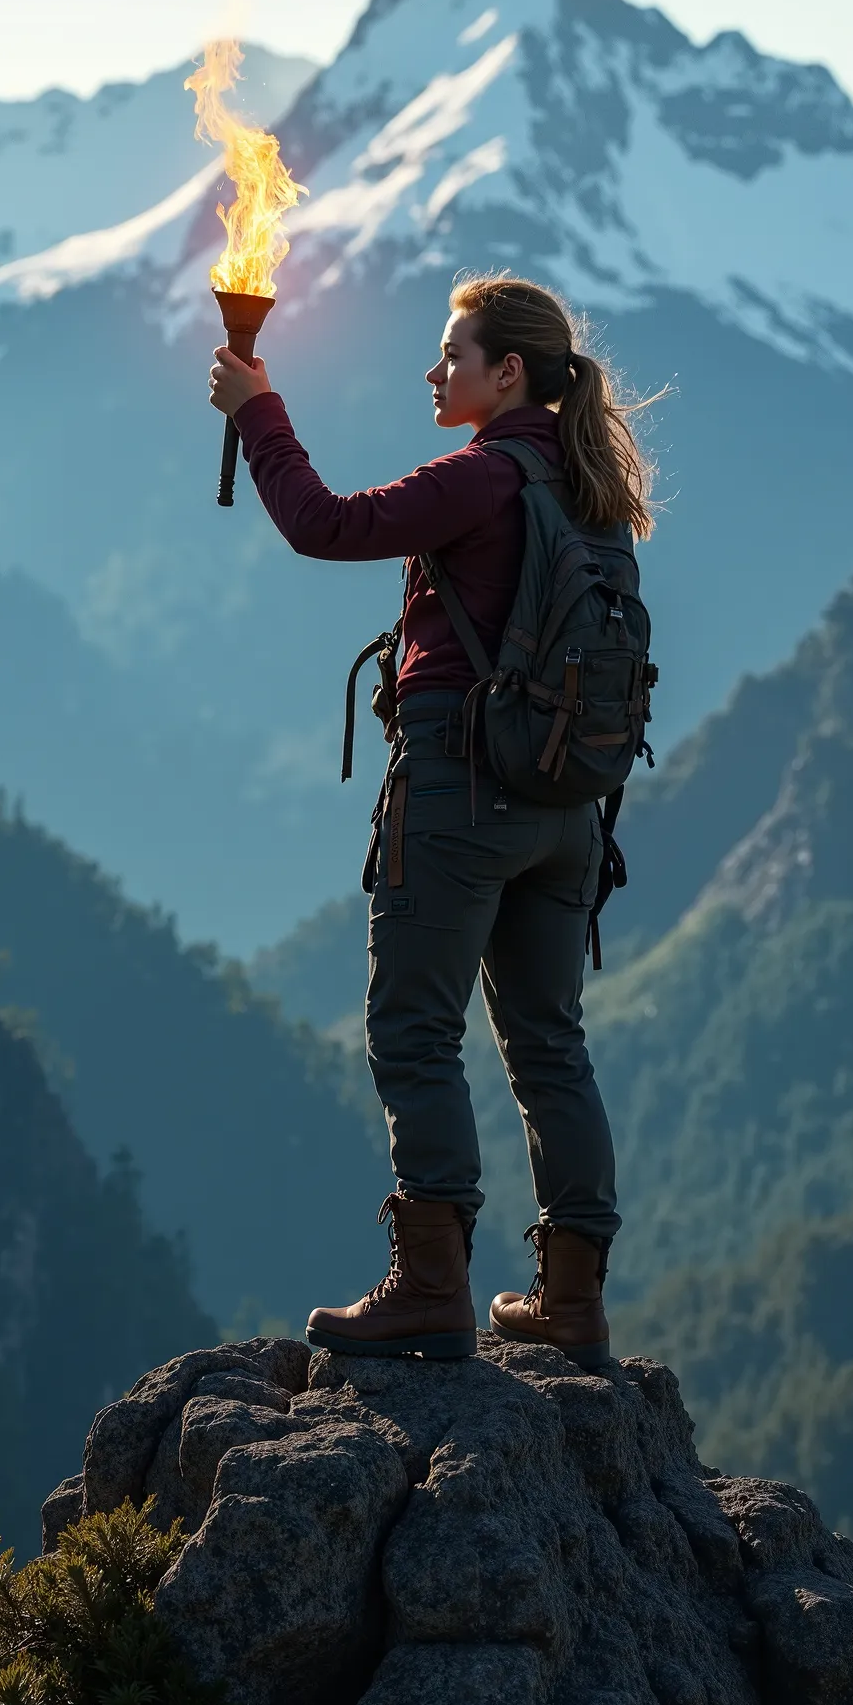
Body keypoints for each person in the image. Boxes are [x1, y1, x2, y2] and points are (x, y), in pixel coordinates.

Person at [208, 273, 655, 1370]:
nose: (432, 369)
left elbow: (324, 524)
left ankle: (427, 1285)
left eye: (451, 353)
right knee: (550, 1044)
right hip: (569, 811)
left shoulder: (481, 476)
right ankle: (571, 1301)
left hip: (461, 791)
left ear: (508, 373)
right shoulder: (591, 489)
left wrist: (255, 410)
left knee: (415, 1029)